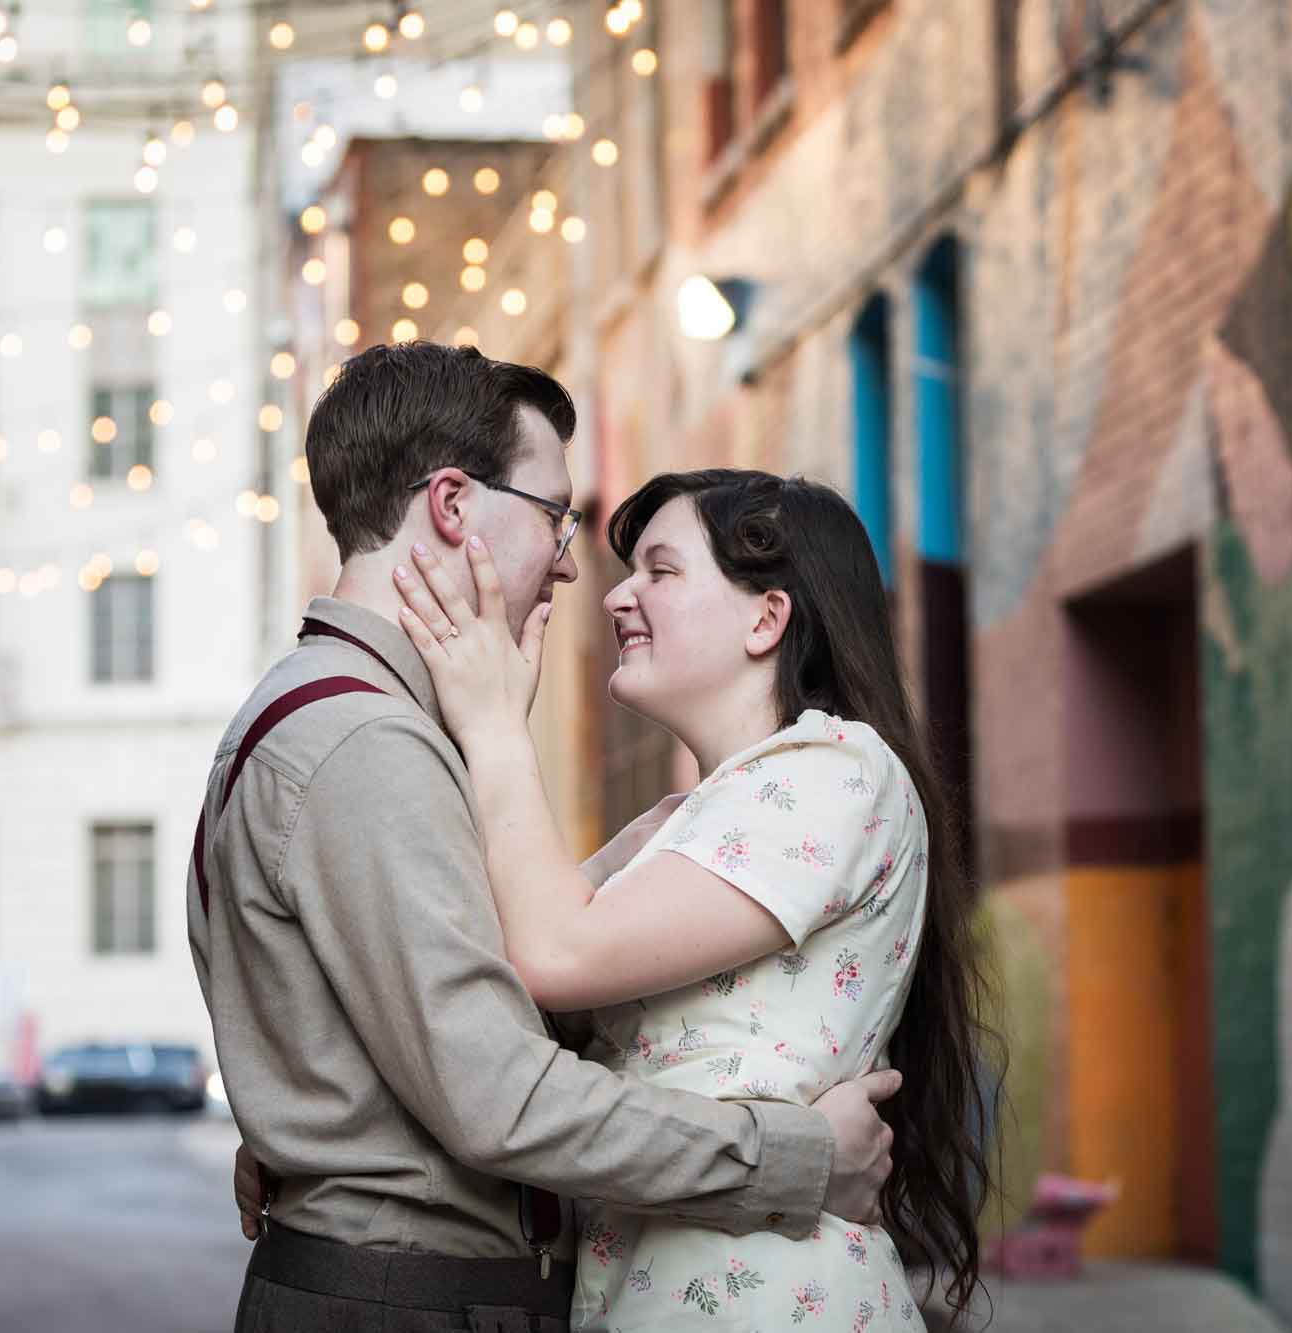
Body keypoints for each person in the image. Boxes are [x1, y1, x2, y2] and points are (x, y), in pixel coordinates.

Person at [190, 343, 902, 1333]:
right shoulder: (365, 740)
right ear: (451, 507)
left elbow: (467, 1009)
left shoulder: (350, 723)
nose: (570, 564)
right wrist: (794, 1157)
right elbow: (499, 1092)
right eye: (553, 517)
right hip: (408, 1298)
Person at [387, 469, 993, 1328]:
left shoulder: (838, 772)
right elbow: (491, 986)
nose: (619, 596)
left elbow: (557, 955)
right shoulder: (691, 821)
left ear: (765, 617)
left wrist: (493, 724)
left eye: (661, 571)